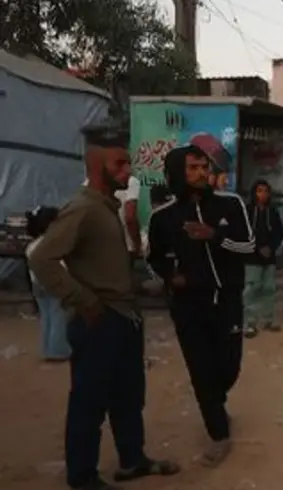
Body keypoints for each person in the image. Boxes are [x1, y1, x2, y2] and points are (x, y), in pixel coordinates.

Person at [28, 123, 180, 490]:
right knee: (89, 402)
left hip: (123, 317)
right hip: (101, 320)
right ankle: (82, 477)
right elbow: (42, 258)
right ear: (97, 166)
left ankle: (133, 460)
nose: (128, 171)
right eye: (120, 164)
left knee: (128, 397)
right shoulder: (82, 209)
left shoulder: (105, 208)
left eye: (128, 163)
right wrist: (84, 301)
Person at [147, 145, 256, 467]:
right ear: (178, 172)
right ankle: (218, 433)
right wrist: (170, 276)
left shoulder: (230, 204)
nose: (201, 173)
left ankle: (215, 401)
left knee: (228, 366)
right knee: (200, 371)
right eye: (192, 168)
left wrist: (214, 236)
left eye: (203, 167)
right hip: (187, 305)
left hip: (227, 301)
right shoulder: (163, 217)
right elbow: (153, 258)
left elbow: (248, 246)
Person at [25, 206, 70, 362]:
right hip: (54, 283)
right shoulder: (53, 244)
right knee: (59, 316)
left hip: (37, 285)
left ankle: (46, 349)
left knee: (46, 316)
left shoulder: (32, 245)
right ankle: (58, 350)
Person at [243, 180, 283, 337]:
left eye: (265, 191)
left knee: (269, 288)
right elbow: (244, 233)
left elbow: (279, 233)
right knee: (252, 288)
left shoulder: (272, 212)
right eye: (259, 191)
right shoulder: (247, 212)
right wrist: (257, 247)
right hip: (251, 256)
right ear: (254, 193)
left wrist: (271, 247)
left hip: (270, 256)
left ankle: (269, 319)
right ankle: (250, 322)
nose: (263, 194)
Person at [82, 174, 142, 254]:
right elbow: (130, 217)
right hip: (123, 247)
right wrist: (137, 244)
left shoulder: (88, 183)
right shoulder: (131, 181)